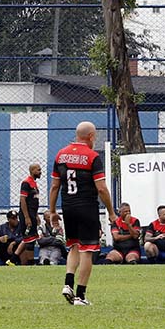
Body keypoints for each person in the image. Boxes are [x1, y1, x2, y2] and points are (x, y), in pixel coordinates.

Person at [48, 120, 116, 306]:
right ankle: (80, 295)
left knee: (74, 247)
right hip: (87, 207)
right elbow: (101, 188)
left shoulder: (61, 155)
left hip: (68, 207)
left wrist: (52, 211)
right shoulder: (92, 157)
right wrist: (111, 212)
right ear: (91, 136)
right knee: (87, 251)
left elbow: (54, 186)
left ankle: (68, 284)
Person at [18, 163, 43, 264]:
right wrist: (26, 217)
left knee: (32, 238)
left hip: (32, 214)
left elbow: (33, 201)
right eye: (38, 170)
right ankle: (30, 263)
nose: (40, 172)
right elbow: (23, 200)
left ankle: (15, 259)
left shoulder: (34, 184)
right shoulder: (26, 183)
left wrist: (36, 215)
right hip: (27, 214)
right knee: (29, 239)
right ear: (32, 171)